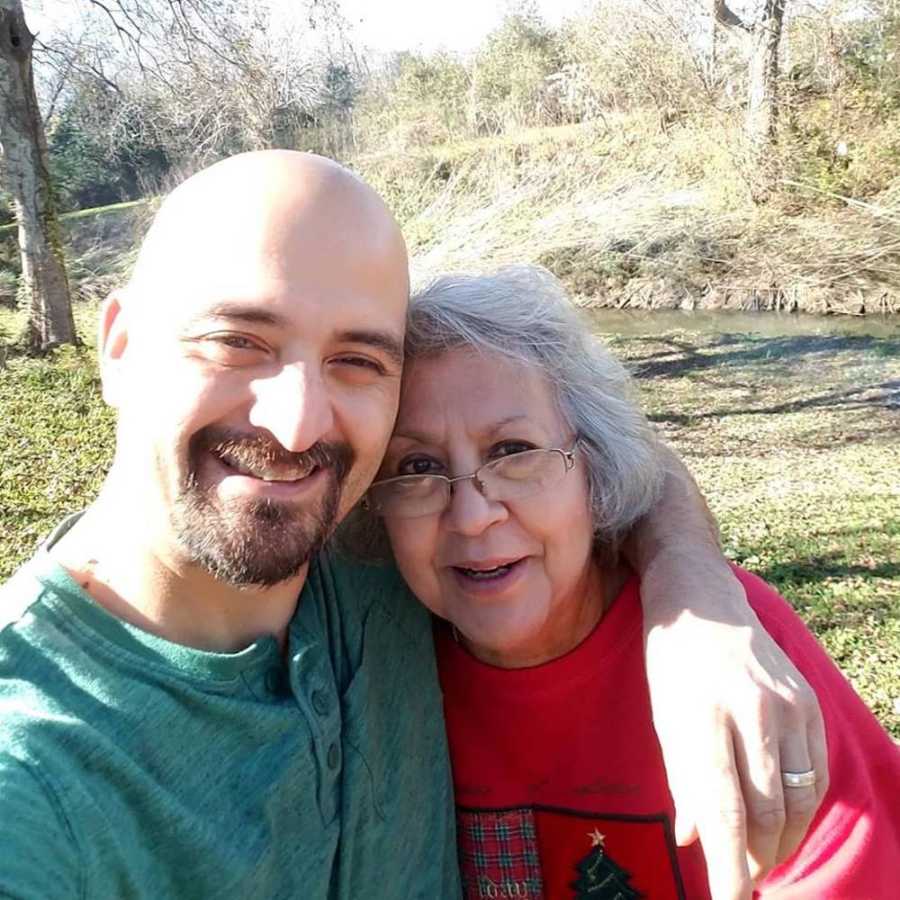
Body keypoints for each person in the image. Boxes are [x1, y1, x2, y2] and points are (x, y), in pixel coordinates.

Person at [0, 151, 823, 899]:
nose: (296, 425)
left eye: (356, 360)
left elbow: (614, 456)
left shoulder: (378, 551)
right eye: (237, 341)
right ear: (119, 347)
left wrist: (693, 607)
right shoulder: (34, 768)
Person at [359, 266, 900, 899]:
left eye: (512, 451)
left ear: (594, 466)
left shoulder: (724, 639)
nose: (473, 516)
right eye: (417, 467)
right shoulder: (380, 652)